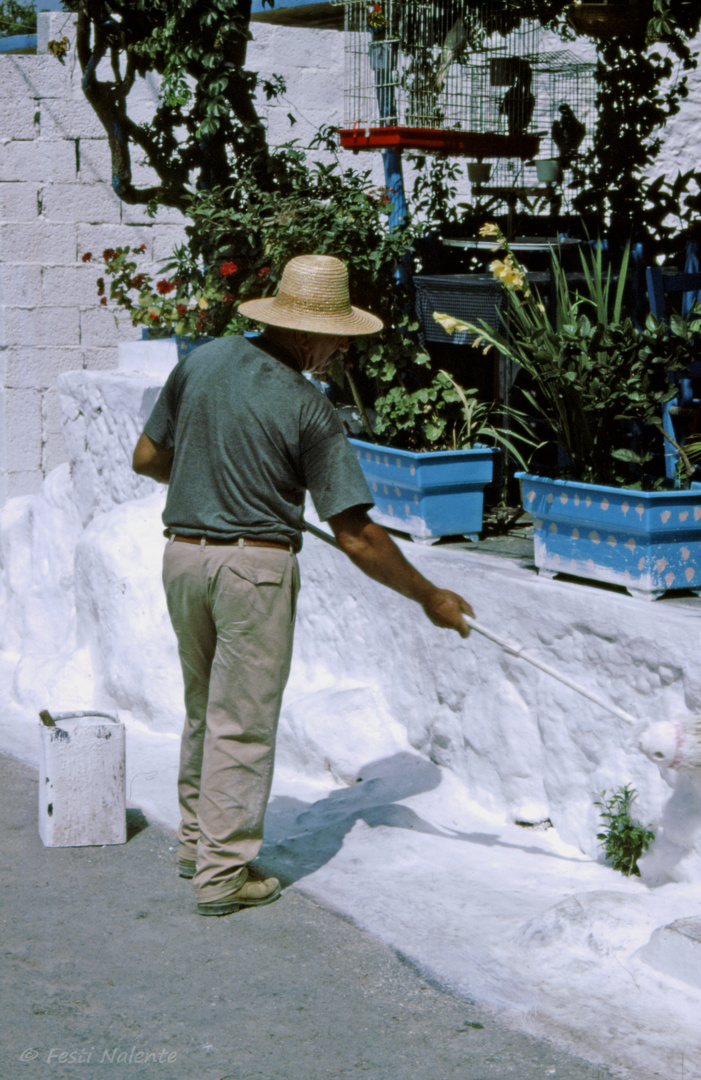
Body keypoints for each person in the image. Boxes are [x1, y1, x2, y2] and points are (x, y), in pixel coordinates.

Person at [132, 253, 474, 917]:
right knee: (243, 722)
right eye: (338, 339)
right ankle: (224, 877)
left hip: (183, 556)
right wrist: (429, 596)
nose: (339, 352)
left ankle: (198, 844)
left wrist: (214, 480)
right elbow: (356, 536)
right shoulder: (306, 409)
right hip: (251, 571)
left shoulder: (204, 360)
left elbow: (148, 459)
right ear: (311, 333)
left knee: (206, 708)